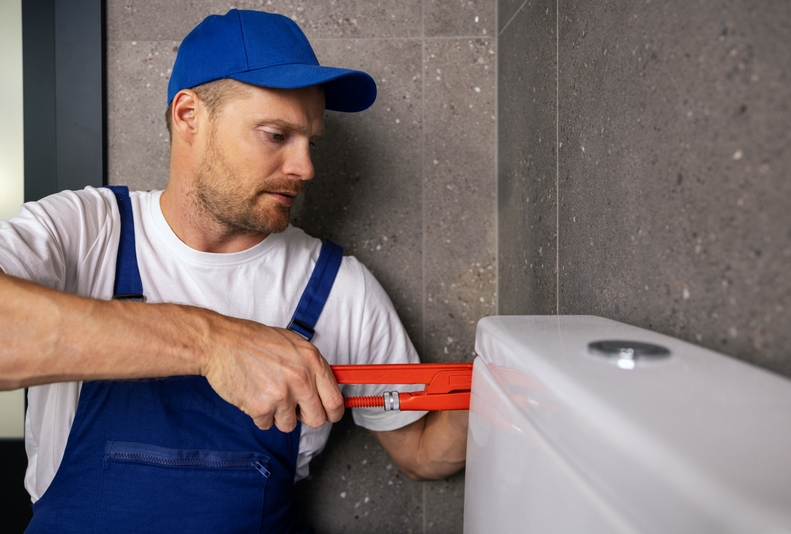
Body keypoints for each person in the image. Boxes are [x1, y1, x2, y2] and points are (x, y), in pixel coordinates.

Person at [0, 9, 467, 533]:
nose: (306, 167)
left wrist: (496, 392)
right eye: (276, 135)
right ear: (189, 116)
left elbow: (420, 453)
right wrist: (213, 344)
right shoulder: (88, 233)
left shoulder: (338, 288)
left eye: (311, 142)